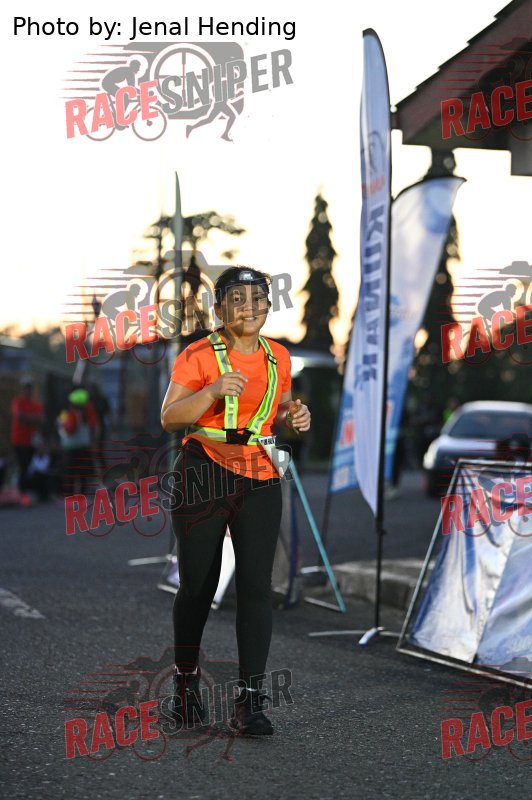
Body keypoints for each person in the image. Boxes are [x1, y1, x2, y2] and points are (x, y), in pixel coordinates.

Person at [160, 266, 311, 737]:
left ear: (268, 304)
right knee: (197, 586)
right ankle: (186, 685)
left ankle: (250, 703)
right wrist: (211, 390)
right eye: (237, 298)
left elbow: (278, 412)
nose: (249, 307)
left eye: (257, 298)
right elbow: (170, 417)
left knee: (255, 586)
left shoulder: (278, 356)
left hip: (260, 474)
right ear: (219, 307)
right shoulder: (198, 354)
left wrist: (294, 417)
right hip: (203, 470)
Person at [57, 388, 99, 497]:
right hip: (84, 447)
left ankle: (69, 496)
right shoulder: (87, 413)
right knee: (82, 474)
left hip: (70, 448)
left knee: (69, 474)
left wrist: (61, 426)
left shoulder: (68, 414)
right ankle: (82, 496)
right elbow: (93, 428)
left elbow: (67, 429)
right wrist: (93, 443)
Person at [10, 376, 44, 503]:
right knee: (23, 466)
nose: (28, 390)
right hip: (19, 440)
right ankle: (21, 494)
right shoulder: (18, 402)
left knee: (30, 467)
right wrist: (33, 419)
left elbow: (40, 420)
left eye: (30, 388)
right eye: (26, 388)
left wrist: (30, 419)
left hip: (31, 442)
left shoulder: (36, 405)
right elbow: (21, 417)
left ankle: (26, 492)